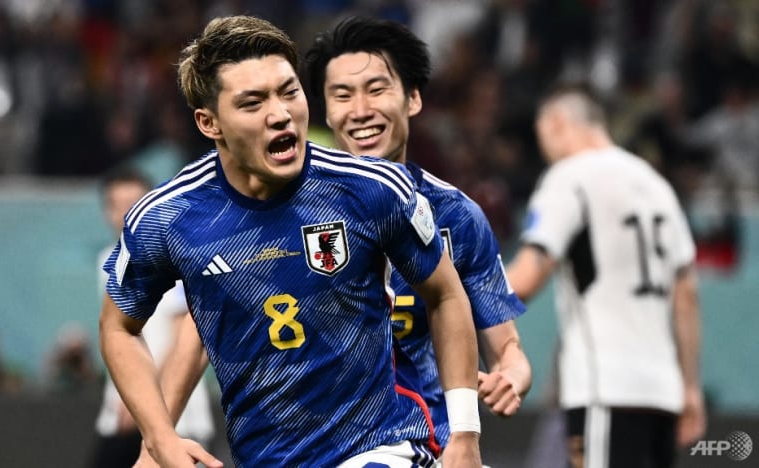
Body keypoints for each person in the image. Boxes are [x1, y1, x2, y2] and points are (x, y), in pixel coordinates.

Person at [99, 15, 482, 468]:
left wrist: (465, 434)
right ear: (209, 123)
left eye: (289, 91)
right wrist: (159, 438)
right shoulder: (167, 218)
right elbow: (119, 327)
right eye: (253, 102)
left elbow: (444, 292)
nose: (280, 114)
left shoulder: (371, 189)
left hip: (379, 448)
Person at [302, 16, 531, 447]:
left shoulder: (457, 217)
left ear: (413, 99)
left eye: (377, 89)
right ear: (327, 112)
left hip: (430, 444)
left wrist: (511, 376)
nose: (361, 111)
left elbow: (508, 351)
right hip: (316, 446)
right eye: (342, 95)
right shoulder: (290, 214)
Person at [505, 82, 706, 468]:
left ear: (557, 123)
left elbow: (527, 278)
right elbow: (686, 294)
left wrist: (456, 299)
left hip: (605, 389)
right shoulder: (656, 185)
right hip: (662, 394)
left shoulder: (570, 177)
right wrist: (690, 387)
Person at [90, 167, 214, 468]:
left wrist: (142, 400)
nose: (124, 213)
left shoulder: (168, 256)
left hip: (175, 417)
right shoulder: (108, 259)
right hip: (125, 411)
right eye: (116, 205)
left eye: (133, 204)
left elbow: (186, 335)